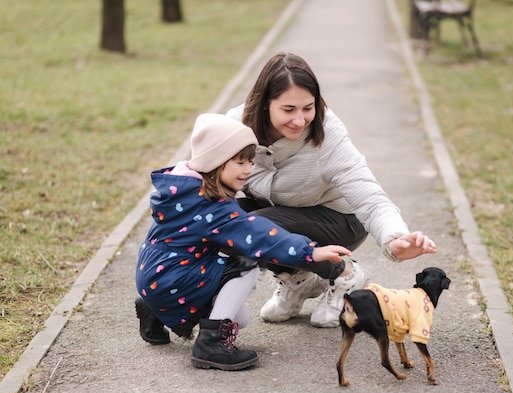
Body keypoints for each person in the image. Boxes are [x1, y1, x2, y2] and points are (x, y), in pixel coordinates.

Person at [225, 52, 438, 329]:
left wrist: (393, 239)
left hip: (339, 222)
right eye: (288, 109)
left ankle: (346, 275)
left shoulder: (327, 136)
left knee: (257, 225)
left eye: (308, 108)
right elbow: (207, 184)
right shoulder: (235, 128)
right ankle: (296, 280)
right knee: (223, 221)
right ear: (265, 103)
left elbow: (369, 196)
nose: (300, 120)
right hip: (283, 213)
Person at [134, 113, 352, 371]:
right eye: (240, 162)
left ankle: (155, 311)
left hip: (152, 276)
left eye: (250, 161)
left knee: (242, 319)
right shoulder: (211, 207)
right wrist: (310, 253)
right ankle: (210, 345)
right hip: (174, 279)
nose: (248, 169)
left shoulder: (181, 189)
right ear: (216, 162)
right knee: (246, 263)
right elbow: (259, 234)